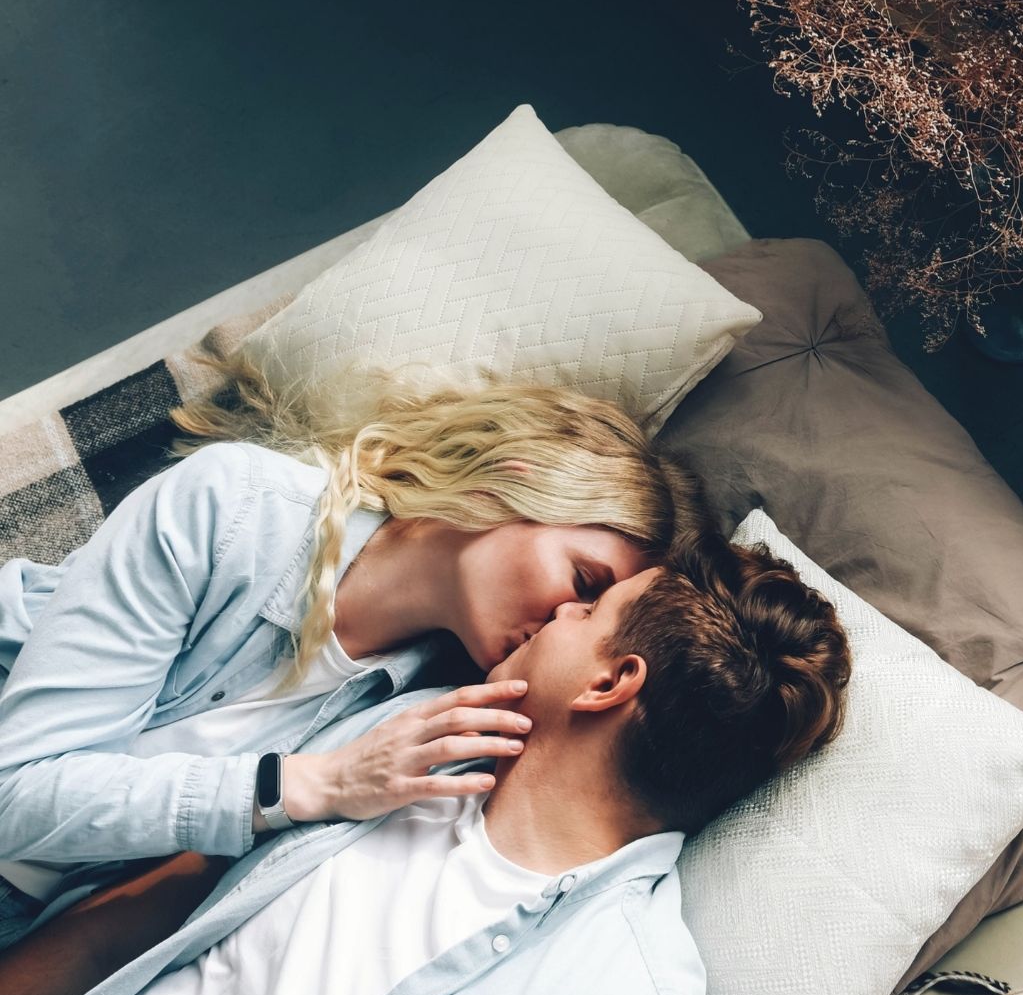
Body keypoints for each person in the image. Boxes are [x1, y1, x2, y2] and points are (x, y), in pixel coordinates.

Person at [0, 529, 852, 995]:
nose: (558, 614)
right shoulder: (402, 740)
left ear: (610, 681)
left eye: (590, 612)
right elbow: (132, 923)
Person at [0, 351, 708, 950]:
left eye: (585, 614)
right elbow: (15, 789)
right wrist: (303, 785)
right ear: (520, 476)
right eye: (580, 582)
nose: (560, 625)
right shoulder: (235, 509)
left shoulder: (436, 707)